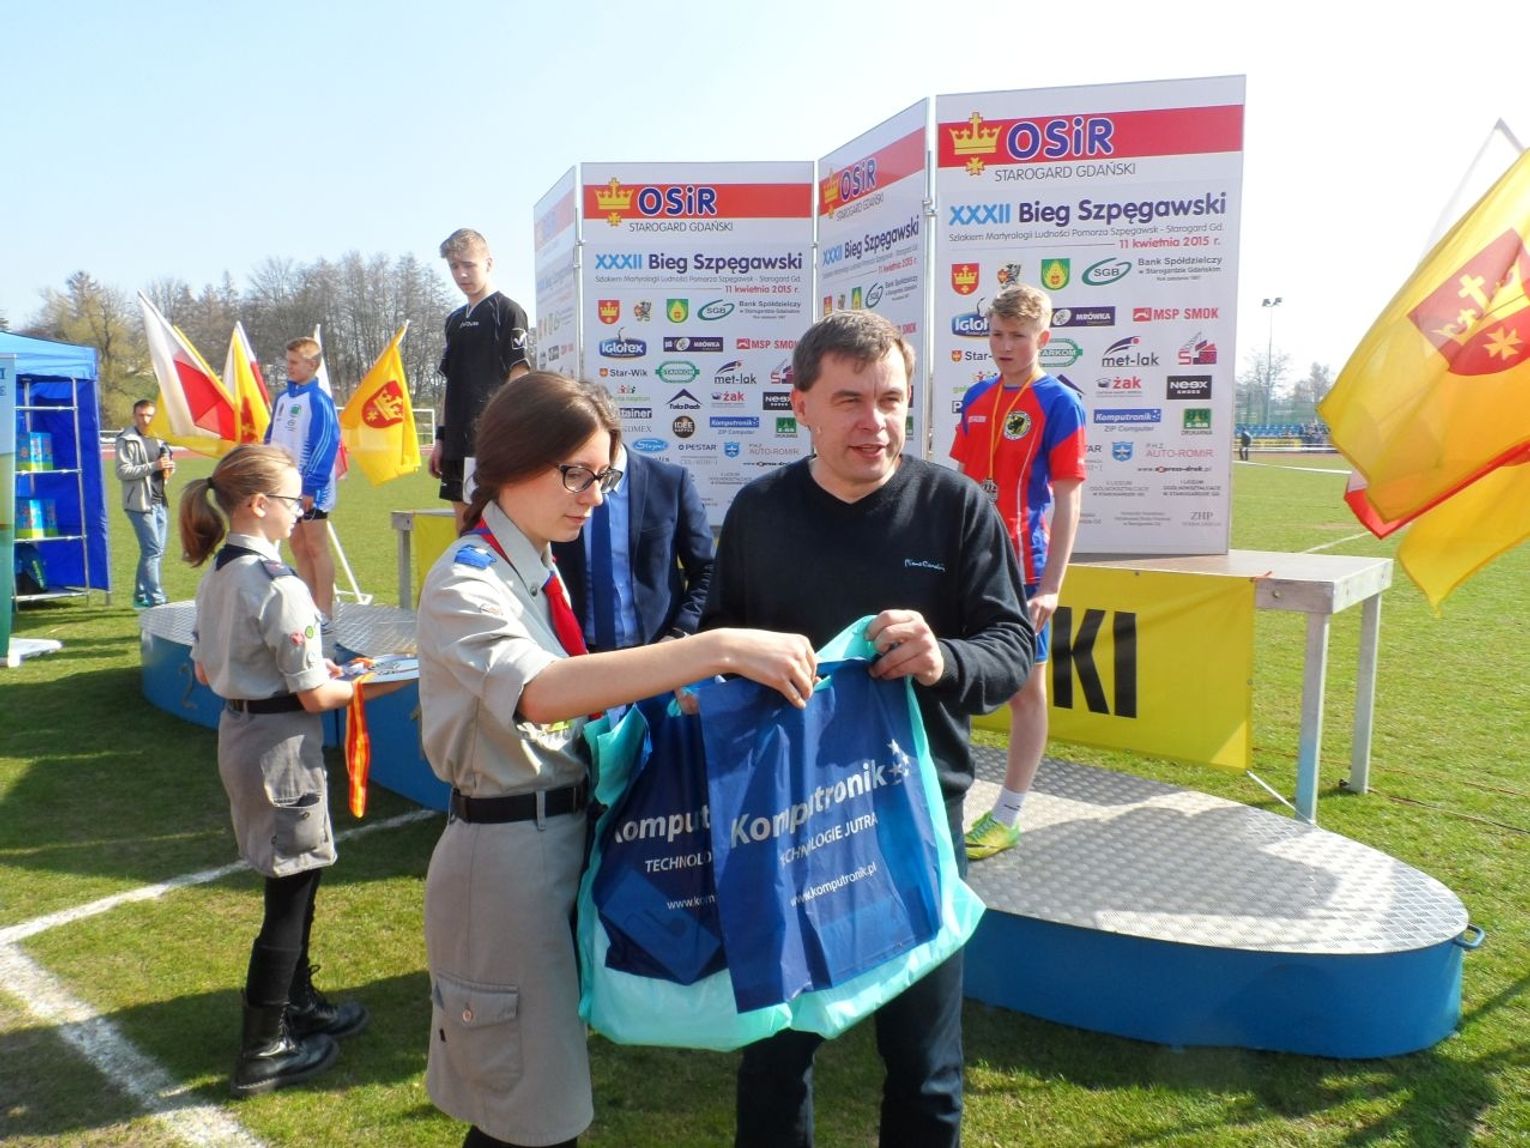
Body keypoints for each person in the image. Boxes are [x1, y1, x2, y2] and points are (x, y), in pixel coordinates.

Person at [414, 372, 816, 1148]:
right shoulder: (469, 577)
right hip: (503, 861)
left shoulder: (531, 567)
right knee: (527, 1119)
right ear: (514, 458)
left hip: (554, 845)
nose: (594, 498)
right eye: (577, 474)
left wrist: (674, 703)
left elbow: (579, 710)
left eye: (602, 477)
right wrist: (713, 648)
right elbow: (540, 693)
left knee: (535, 1108)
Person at [702, 311, 1033, 1148]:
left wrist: (943, 657)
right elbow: (715, 644)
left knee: (925, 1066)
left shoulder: (956, 507)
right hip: (787, 825)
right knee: (775, 1055)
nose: (874, 422)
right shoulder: (758, 511)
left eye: (890, 399)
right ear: (801, 405)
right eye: (848, 400)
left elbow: (1010, 649)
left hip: (915, 823)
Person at [179, 444, 369, 1097]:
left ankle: (297, 1004)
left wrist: (306, 675)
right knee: (292, 888)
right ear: (260, 505)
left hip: (243, 733)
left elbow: (205, 667)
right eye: (294, 502)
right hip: (277, 746)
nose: (301, 512)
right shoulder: (276, 582)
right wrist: (371, 682)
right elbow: (316, 696)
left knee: (297, 875)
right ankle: (263, 1047)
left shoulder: (219, 573)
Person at [952, 283, 1086, 862]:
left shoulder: (1060, 403)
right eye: (997, 334)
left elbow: (1069, 498)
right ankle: (946, 795)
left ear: (1044, 339)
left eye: (1019, 337)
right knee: (950, 678)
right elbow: (960, 484)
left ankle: (1008, 814)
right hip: (969, 564)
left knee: (1026, 693)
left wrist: (1052, 585)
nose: (1005, 346)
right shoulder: (976, 395)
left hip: (1025, 571)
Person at [550, 438, 713, 650]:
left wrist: (682, 630)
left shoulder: (670, 481)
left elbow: (708, 569)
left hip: (658, 650)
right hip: (569, 652)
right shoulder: (553, 483)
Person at [431, 227, 531, 533]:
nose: (461, 274)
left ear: (489, 263)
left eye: (468, 265)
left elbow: (519, 379)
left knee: (495, 525)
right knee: (463, 526)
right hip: (456, 443)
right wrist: (441, 438)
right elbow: (451, 384)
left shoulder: (508, 311)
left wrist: (506, 436)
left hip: (489, 441)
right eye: (454, 266)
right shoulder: (454, 320)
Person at [264, 337, 341, 644]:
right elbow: (271, 438)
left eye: (294, 362)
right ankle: (308, 606)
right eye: (288, 362)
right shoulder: (283, 398)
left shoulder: (319, 400)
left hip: (311, 488)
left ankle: (325, 612)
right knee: (297, 545)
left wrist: (311, 485)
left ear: (312, 365)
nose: (289, 367)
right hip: (283, 487)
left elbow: (327, 442)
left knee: (316, 546)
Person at [115, 398, 175, 607]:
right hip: (139, 504)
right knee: (152, 551)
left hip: (159, 501)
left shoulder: (159, 438)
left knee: (154, 552)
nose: (145, 419)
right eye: (141, 415)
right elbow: (122, 471)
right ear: (134, 416)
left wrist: (169, 468)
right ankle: (156, 598)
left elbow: (164, 467)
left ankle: (140, 595)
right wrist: (154, 466)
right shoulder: (126, 439)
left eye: (149, 415)